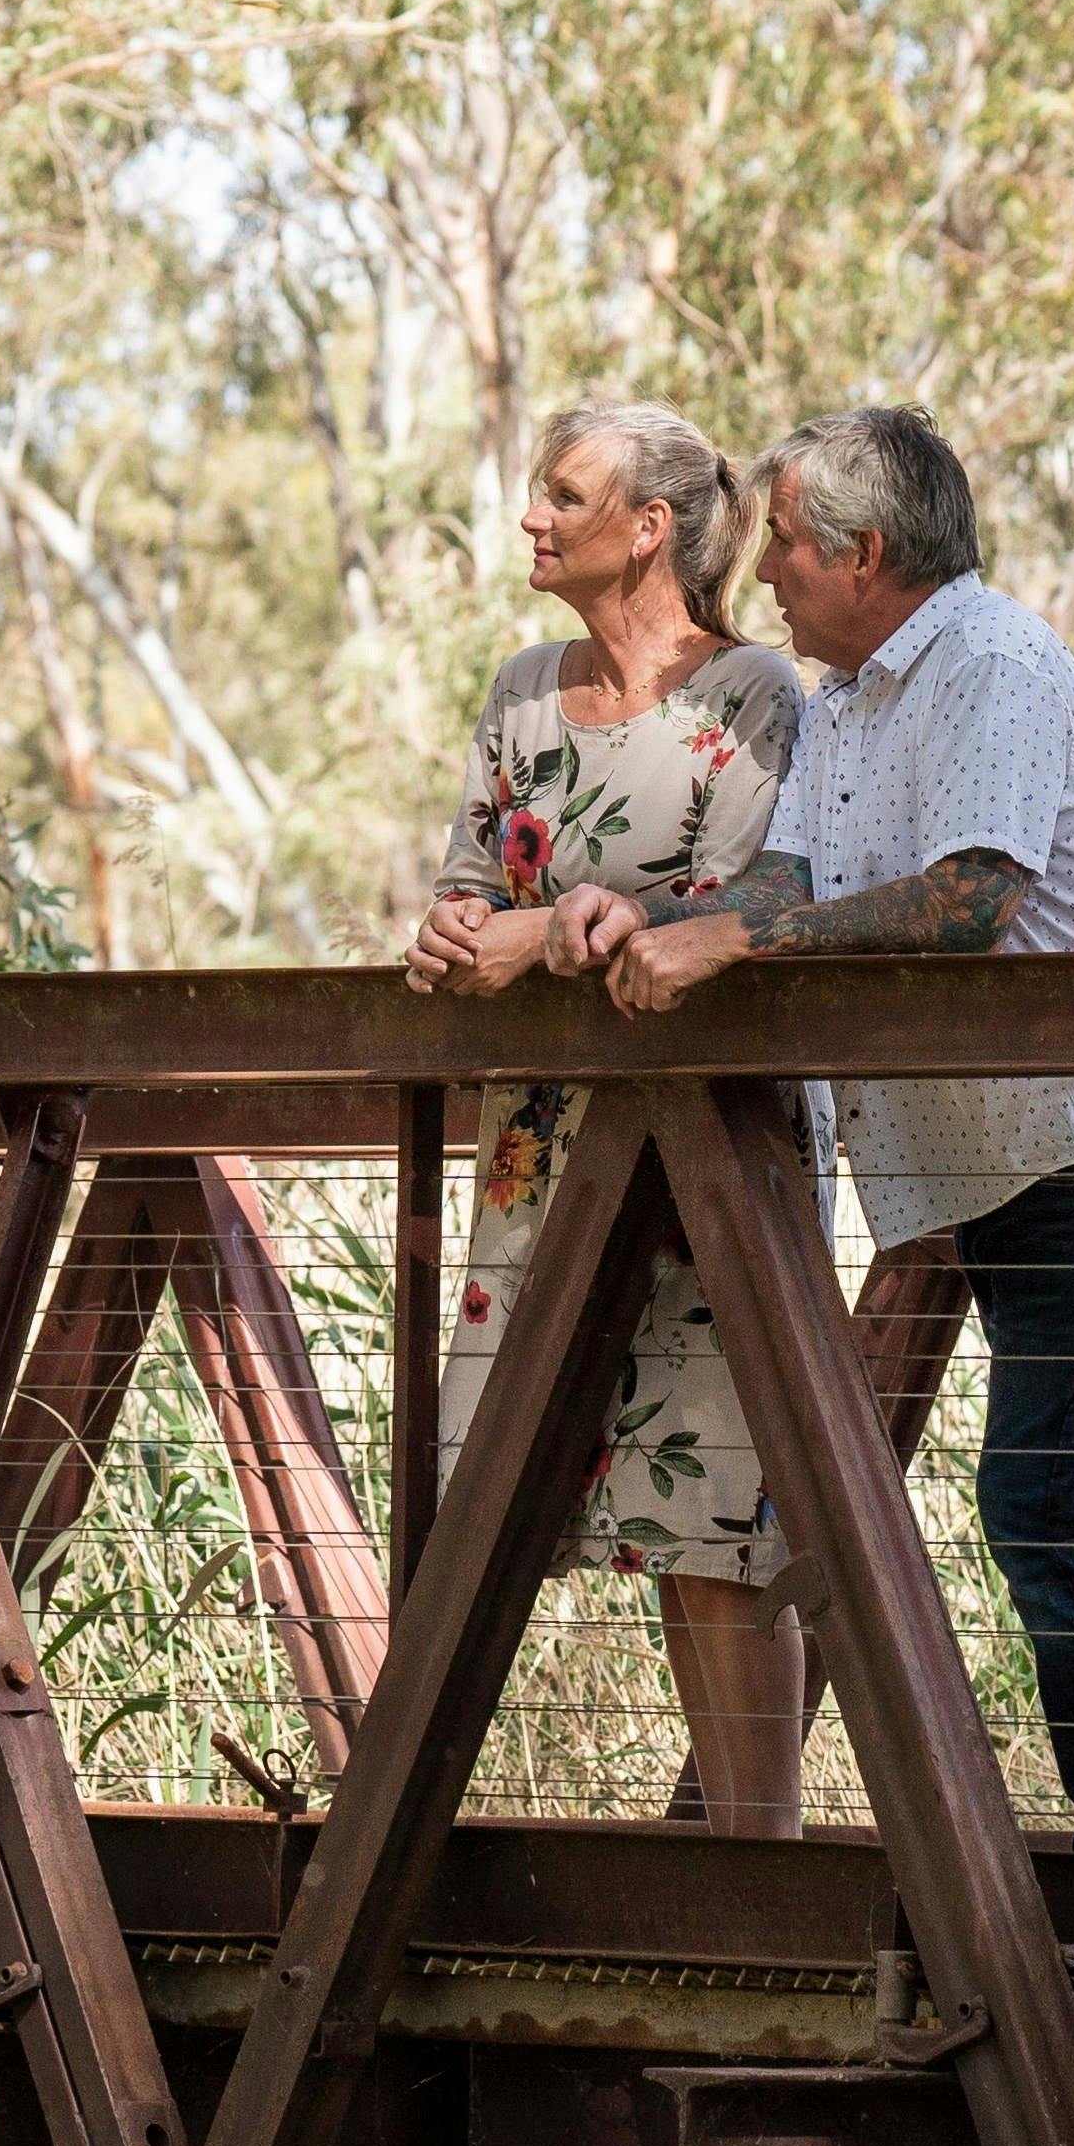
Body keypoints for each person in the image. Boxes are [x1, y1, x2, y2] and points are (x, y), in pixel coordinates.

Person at [561, 402, 1074, 1856]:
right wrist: (656, 918)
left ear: (866, 554)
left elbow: (970, 897)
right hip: (994, 1160)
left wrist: (739, 954)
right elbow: (786, 882)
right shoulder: (855, 698)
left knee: (1048, 1489)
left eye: (792, 553)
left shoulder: (992, 661)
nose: (769, 582)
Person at [401, 401, 814, 1833]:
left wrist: (553, 939)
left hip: (707, 1160)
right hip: (540, 1162)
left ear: (650, 528)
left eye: (562, 495)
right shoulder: (522, 686)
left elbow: (753, 901)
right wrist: (459, 936)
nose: (532, 517)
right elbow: (473, 871)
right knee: (519, 1496)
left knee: (717, 1524)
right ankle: (430, 1848)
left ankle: (761, 1867)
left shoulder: (754, 697)